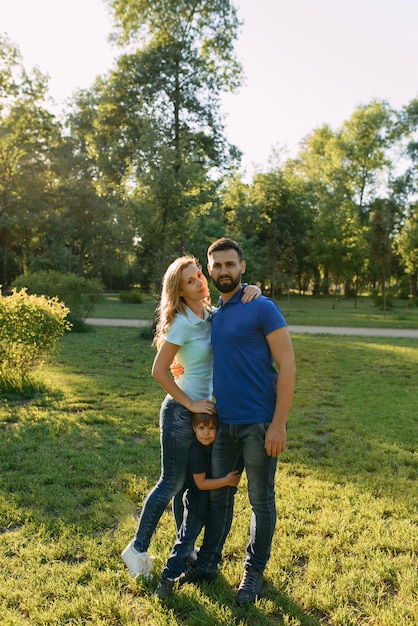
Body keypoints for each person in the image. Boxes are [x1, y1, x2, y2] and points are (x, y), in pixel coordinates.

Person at [121, 255, 260, 578]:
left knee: (188, 489)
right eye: (190, 280)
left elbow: (234, 312)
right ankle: (137, 549)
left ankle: (184, 549)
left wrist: (251, 288)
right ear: (180, 291)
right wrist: (192, 403)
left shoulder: (209, 314)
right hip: (180, 414)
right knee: (172, 483)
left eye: (199, 274)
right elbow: (159, 370)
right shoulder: (183, 319)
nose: (199, 281)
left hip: (203, 417)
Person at [179, 238, 296, 604]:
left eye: (230, 264)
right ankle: (208, 564)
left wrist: (279, 423)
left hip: (260, 423)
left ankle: (253, 572)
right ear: (209, 271)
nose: (224, 271)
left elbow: (288, 363)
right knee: (219, 496)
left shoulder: (262, 307)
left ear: (242, 267)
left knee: (261, 501)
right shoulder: (215, 313)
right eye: (217, 266)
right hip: (222, 424)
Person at [154, 412, 241, 600]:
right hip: (196, 506)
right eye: (201, 428)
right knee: (185, 543)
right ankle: (167, 579)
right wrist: (226, 480)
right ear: (194, 429)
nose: (207, 433)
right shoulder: (197, 451)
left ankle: (205, 565)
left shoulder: (215, 447)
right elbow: (201, 484)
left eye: (211, 428)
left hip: (210, 505)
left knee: (203, 537)